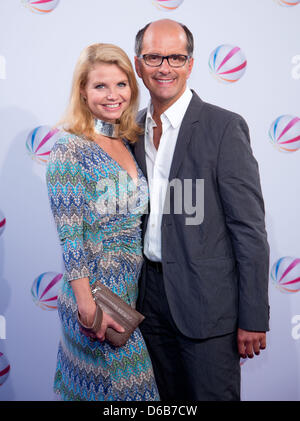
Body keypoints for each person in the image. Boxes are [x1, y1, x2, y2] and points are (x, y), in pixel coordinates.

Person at [133, 19, 270, 401]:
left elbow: (249, 230)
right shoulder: (132, 128)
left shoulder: (223, 128)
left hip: (208, 305)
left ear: (191, 64)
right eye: (154, 57)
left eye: (176, 57)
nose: (165, 67)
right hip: (148, 304)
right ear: (138, 63)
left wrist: (254, 316)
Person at [46, 43, 159, 401]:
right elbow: (70, 236)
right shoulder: (70, 147)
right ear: (82, 89)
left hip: (129, 292)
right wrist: (86, 306)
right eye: (100, 86)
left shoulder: (126, 141)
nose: (113, 95)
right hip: (96, 295)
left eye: (121, 84)